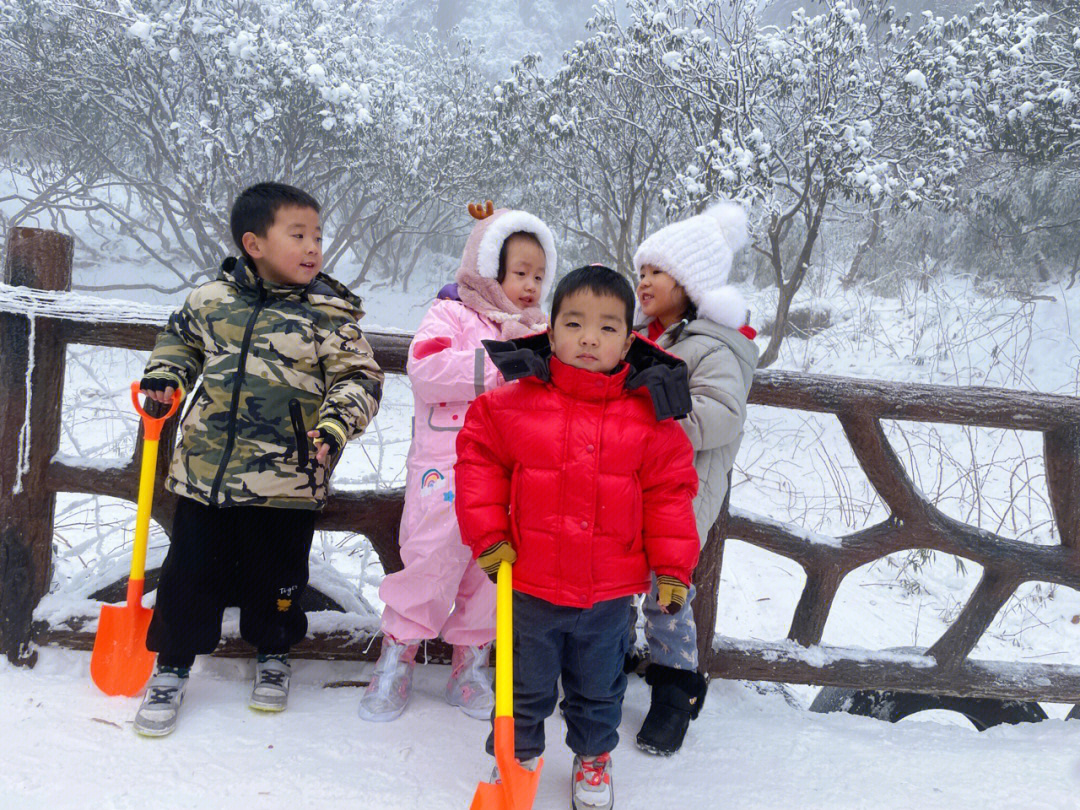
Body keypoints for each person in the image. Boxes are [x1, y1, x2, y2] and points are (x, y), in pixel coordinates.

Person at [132, 182, 384, 736]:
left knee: (278, 580)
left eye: (317, 235)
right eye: (297, 235)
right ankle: (172, 665)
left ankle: (273, 654)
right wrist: (165, 376)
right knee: (188, 577)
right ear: (254, 243)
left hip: (287, 481)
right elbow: (179, 341)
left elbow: (359, 376)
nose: (313, 246)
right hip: (204, 477)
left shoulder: (328, 314)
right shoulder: (210, 301)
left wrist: (338, 421)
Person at [455, 265, 699, 810]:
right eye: (575, 323)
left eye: (609, 327)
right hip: (530, 586)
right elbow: (478, 461)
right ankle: (515, 754)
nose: (589, 338)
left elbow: (670, 496)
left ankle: (593, 757)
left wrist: (673, 570)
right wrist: (489, 536)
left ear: (630, 338)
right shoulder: (511, 403)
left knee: (599, 688)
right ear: (551, 329)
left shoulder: (650, 420)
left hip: (609, 594)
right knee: (522, 684)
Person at [358, 201, 557, 722]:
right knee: (431, 559)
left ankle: (469, 663)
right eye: (520, 272)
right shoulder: (452, 311)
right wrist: (503, 368)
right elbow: (426, 369)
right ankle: (397, 658)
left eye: (539, 275)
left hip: (511, 474)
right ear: (491, 269)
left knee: (493, 570)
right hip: (445, 468)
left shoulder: (543, 333)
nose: (531, 285)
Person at [631, 202, 759, 755]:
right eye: (640, 272)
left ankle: (675, 688)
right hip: (631, 487)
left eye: (657, 272)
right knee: (614, 581)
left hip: (682, 495)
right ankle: (609, 668)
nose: (644, 282)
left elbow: (721, 415)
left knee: (667, 593)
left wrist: (648, 413)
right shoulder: (646, 336)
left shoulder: (715, 347)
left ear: (690, 282)